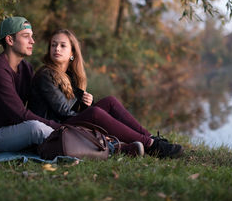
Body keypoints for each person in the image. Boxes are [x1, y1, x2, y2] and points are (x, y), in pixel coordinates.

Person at [28, 29, 184, 158]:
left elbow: (72, 108)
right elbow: (64, 111)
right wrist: (86, 106)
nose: (57, 49)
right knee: (95, 112)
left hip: (66, 123)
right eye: (54, 45)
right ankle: (152, 146)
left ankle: (150, 138)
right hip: (53, 130)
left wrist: (87, 102)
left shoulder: (68, 75)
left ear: (72, 53)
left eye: (62, 45)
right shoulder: (46, 75)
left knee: (109, 101)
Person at [0, 16, 60, 152]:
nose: (32, 41)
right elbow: (20, 114)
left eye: (32, 36)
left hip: (12, 126)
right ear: (10, 40)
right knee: (35, 129)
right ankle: (75, 143)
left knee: (39, 125)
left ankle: (76, 139)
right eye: (26, 36)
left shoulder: (26, 68)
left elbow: (36, 100)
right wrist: (57, 126)